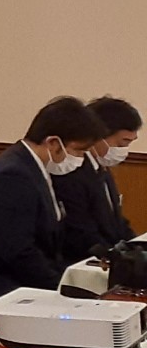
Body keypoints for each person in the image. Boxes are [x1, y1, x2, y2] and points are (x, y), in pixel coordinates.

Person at [0, 97, 107, 309]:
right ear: (53, 143)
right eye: (79, 151)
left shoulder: (32, 167)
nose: (80, 159)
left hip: (20, 276)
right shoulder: (13, 175)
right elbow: (19, 252)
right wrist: (62, 288)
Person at [57, 96, 140, 260]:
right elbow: (81, 232)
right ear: (98, 135)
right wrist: (117, 257)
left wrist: (136, 247)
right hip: (86, 259)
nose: (124, 151)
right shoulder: (73, 174)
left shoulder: (102, 168)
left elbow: (116, 222)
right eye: (122, 143)